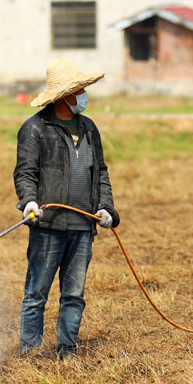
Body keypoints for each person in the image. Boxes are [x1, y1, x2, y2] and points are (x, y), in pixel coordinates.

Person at [13, 58, 119, 359]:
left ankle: (67, 350)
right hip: (49, 226)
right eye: (81, 89)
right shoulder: (35, 129)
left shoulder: (89, 128)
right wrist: (29, 201)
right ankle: (30, 352)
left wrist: (106, 207)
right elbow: (25, 172)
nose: (85, 95)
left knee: (74, 295)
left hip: (83, 228)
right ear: (65, 95)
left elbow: (101, 171)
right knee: (36, 294)